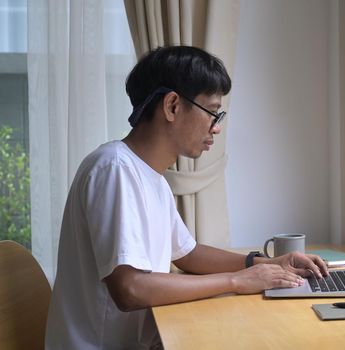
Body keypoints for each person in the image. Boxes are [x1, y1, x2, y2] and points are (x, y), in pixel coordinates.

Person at [45, 46, 328, 350]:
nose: (216, 128)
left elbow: (188, 254)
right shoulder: (115, 170)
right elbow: (130, 289)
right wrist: (238, 281)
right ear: (172, 106)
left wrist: (267, 263)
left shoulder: (150, 175)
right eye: (212, 112)